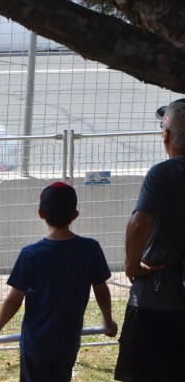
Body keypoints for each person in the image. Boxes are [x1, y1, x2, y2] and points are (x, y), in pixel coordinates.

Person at [0, 182, 118, 382]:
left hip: (36, 345)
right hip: (67, 343)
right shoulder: (90, 249)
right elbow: (101, 290)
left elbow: (14, 300)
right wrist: (108, 321)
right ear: (75, 215)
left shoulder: (31, 254)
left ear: (41, 214)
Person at [114, 99, 185, 382]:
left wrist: (131, 265)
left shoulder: (163, 173)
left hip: (156, 301)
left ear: (165, 135)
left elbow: (138, 223)